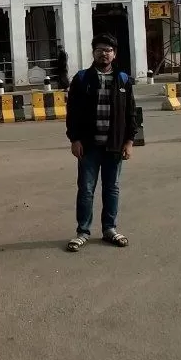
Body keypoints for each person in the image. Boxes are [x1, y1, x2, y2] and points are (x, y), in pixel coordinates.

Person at [64, 33, 138, 253]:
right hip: (88, 146)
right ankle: (83, 232)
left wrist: (129, 141)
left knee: (112, 189)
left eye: (108, 50)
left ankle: (110, 229)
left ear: (114, 54)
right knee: (86, 190)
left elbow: (131, 113)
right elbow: (73, 112)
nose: (104, 53)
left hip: (113, 145)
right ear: (93, 52)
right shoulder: (82, 79)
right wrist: (74, 139)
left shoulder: (123, 80)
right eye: (100, 49)